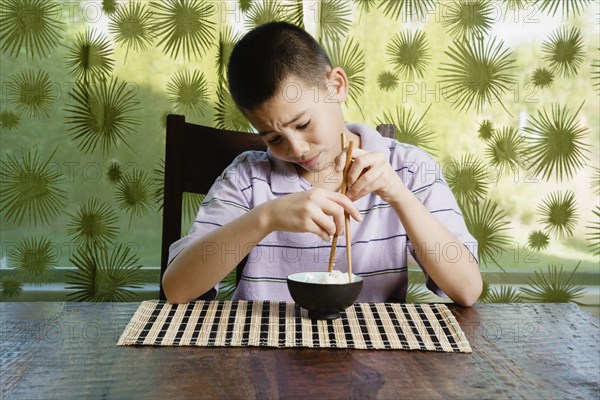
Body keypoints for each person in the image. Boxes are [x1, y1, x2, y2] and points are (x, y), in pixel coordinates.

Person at [162, 21, 482, 306]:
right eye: (273, 139)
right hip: (261, 355)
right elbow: (176, 289)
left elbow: (467, 290)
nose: (297, 148)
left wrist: (400, 196)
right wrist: (266, 218)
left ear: (336, 86)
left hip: (374, 357)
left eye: (302, 124)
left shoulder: (408, 168)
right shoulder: (247, 178)